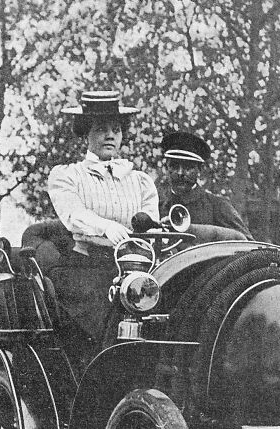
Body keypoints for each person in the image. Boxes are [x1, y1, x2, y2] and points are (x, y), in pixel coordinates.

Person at [45, 89, 160, 349]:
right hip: (86, 266)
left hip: (136, 269)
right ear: (86, 134)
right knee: (102, 312)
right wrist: (106, 227)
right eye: (101, 129)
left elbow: (149, 221)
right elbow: (73, 214)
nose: (110, 135)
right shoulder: (67, 176)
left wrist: (146, 228)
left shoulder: (139, 180)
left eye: (116, 129)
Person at [160, 131, 253, 241]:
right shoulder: (159, 206)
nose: (180, 173)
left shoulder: (218, 206)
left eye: (188, 167)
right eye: (174, 166)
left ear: (199, 169)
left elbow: (248, 245)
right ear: (166, 168)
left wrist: (194, 230)